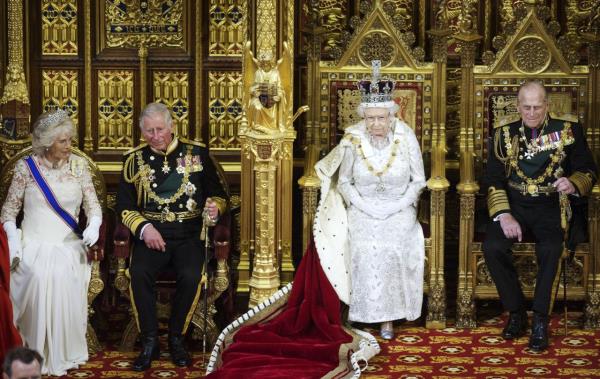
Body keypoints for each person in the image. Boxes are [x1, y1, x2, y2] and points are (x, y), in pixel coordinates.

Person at [314, 60, 426, 340]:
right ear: (363, 117)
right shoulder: (352, 140)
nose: (376, 123)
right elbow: (345, 182)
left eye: (382, 117)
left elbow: (418, 181)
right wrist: (365, 207)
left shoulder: (406, 137)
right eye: (370, 118)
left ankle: (388, 318)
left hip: (399, 207)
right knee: (363, 245)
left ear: (392, 116)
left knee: (391, 246)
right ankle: (362, 313)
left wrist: (395, 207)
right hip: (362, 207)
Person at [483, 81, 597, 352]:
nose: (532, 112)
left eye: (537, 106)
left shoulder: (568, 130)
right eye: (526, 107)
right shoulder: (504, 133)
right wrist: (504, 214)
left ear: (547, 105)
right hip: (515, 204)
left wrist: (572, 183)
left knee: (551, 248)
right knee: (493, 247)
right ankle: (516, 313)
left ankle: (540, 321)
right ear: (518, 106)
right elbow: (492, 178)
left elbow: (589, 170)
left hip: (551, 205)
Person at [116, 102, 228, 371]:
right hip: (151, 234)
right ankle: (150, 341)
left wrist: (214, 207)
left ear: (171, 126)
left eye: (160, 129)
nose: (155, 136)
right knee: (139, 272)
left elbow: (219, 195)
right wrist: (144, 229)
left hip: (188, 235)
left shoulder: (196, 154)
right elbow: (124, 206)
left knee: (191, 275)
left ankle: (177, 338)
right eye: (149, 131)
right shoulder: (133, 160)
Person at [0, 109, 102, 376]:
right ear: (47, 142)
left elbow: (94, 208)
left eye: (70, 140)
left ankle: (62, 353)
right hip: (31, 242)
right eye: (63, 141)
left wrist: (94, 226)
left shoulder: (80, 168)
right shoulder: (26, 168)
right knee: (36, 273)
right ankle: (29, 352)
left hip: (68, 243)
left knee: (58, 272)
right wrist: (14, 242)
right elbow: (8, 213)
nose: (69, 146)